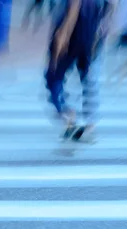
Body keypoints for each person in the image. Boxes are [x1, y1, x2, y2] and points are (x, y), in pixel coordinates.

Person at [45, 0, 114, 142]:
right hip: (89, 33)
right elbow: (112, 6)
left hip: (75, 34)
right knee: (87, 78)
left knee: (53, 77)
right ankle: (89, 121)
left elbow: (74, 6)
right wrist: (101, 30)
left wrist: (63, 35)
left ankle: (67, 115)